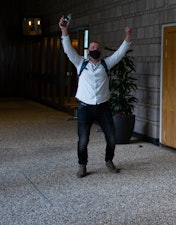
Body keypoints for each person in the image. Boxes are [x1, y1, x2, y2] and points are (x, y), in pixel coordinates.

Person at [58, 16, 133, 178]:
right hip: (84, 108)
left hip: (103, 108)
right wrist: (64, 30)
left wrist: (128, 37)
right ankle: (82, 165)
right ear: (87, 51)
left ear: (100, 51)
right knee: (83, 140)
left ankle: (109, 161)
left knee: (112, 137)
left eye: (97, 48)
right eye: (92, 47)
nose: (94, 49)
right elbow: (68, 49)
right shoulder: (80, 63)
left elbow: (120, 53)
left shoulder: (106, 64)